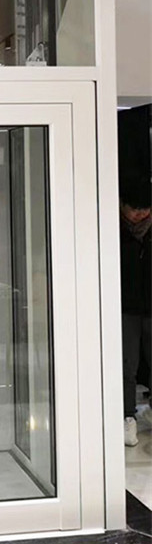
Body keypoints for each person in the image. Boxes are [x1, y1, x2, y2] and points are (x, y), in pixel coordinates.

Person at [120, 176, 152, 446]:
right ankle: (126, 416)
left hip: (150, 306)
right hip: (125, 307)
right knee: (126, 364)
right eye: (134, 208)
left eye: (145, 208)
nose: (139, 214)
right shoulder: (112, 229)